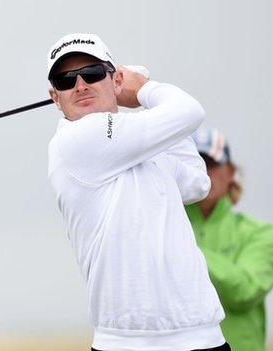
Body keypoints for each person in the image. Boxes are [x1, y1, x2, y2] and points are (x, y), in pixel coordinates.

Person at [46, 33, 229, 350]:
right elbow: (190, 111)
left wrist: (148, 109)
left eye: (91, 73)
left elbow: (198, 183)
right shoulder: (76, 141)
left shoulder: (136, 146)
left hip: (202, 337)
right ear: (54, 96)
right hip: (126, 344)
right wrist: (145, 89)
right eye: (65, 80)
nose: (80, 85)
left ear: (114, 77)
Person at [185, 128, 273, 351]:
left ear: (230, 173)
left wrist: (185, 252)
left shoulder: (260, 233)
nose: (203, 171)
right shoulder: (160, 226)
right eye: (195, 162)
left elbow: (245, 291)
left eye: (211, 163)